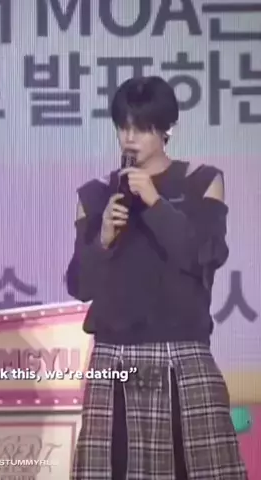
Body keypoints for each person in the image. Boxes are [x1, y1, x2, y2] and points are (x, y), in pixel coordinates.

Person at [66, 76, 247, 479]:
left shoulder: (201, 181)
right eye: (123, 126)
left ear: (167, 129)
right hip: (114, 358)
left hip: (181, 355)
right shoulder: (96, 195)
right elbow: (80, 285)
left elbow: (203, 255)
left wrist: (154, 201)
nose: (129, 138)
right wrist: (103, 238)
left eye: (142, 127)